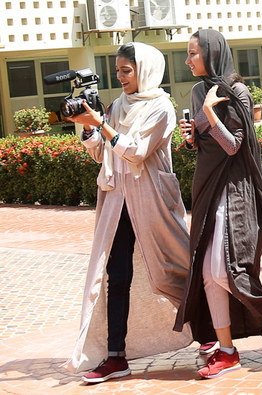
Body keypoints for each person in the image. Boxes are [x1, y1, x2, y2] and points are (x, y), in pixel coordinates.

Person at [63, 42, 193, 383]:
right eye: (117, 71)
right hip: (118, 200)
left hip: (152, 200)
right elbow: (102, 156)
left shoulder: (162, 107)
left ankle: (213, 336)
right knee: (115, 276)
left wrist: (101, 125)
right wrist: (90, 128)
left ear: (145, 70)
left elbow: (135, 152)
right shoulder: (117, 106)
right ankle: (115, 356)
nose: (120, 77)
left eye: (127, 70)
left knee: (175, 269)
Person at [173, 29, 262, 379]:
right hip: (208, 187)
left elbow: (234, 146)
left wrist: (209, 114)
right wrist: (192, 135)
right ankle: (226, 351)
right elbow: (206, 143)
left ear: (211, 54)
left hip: (235, 190)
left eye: (193, 53)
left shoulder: (235, 91)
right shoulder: (197, 91)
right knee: (207, 275)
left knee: (225, 270)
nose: (188, 59)